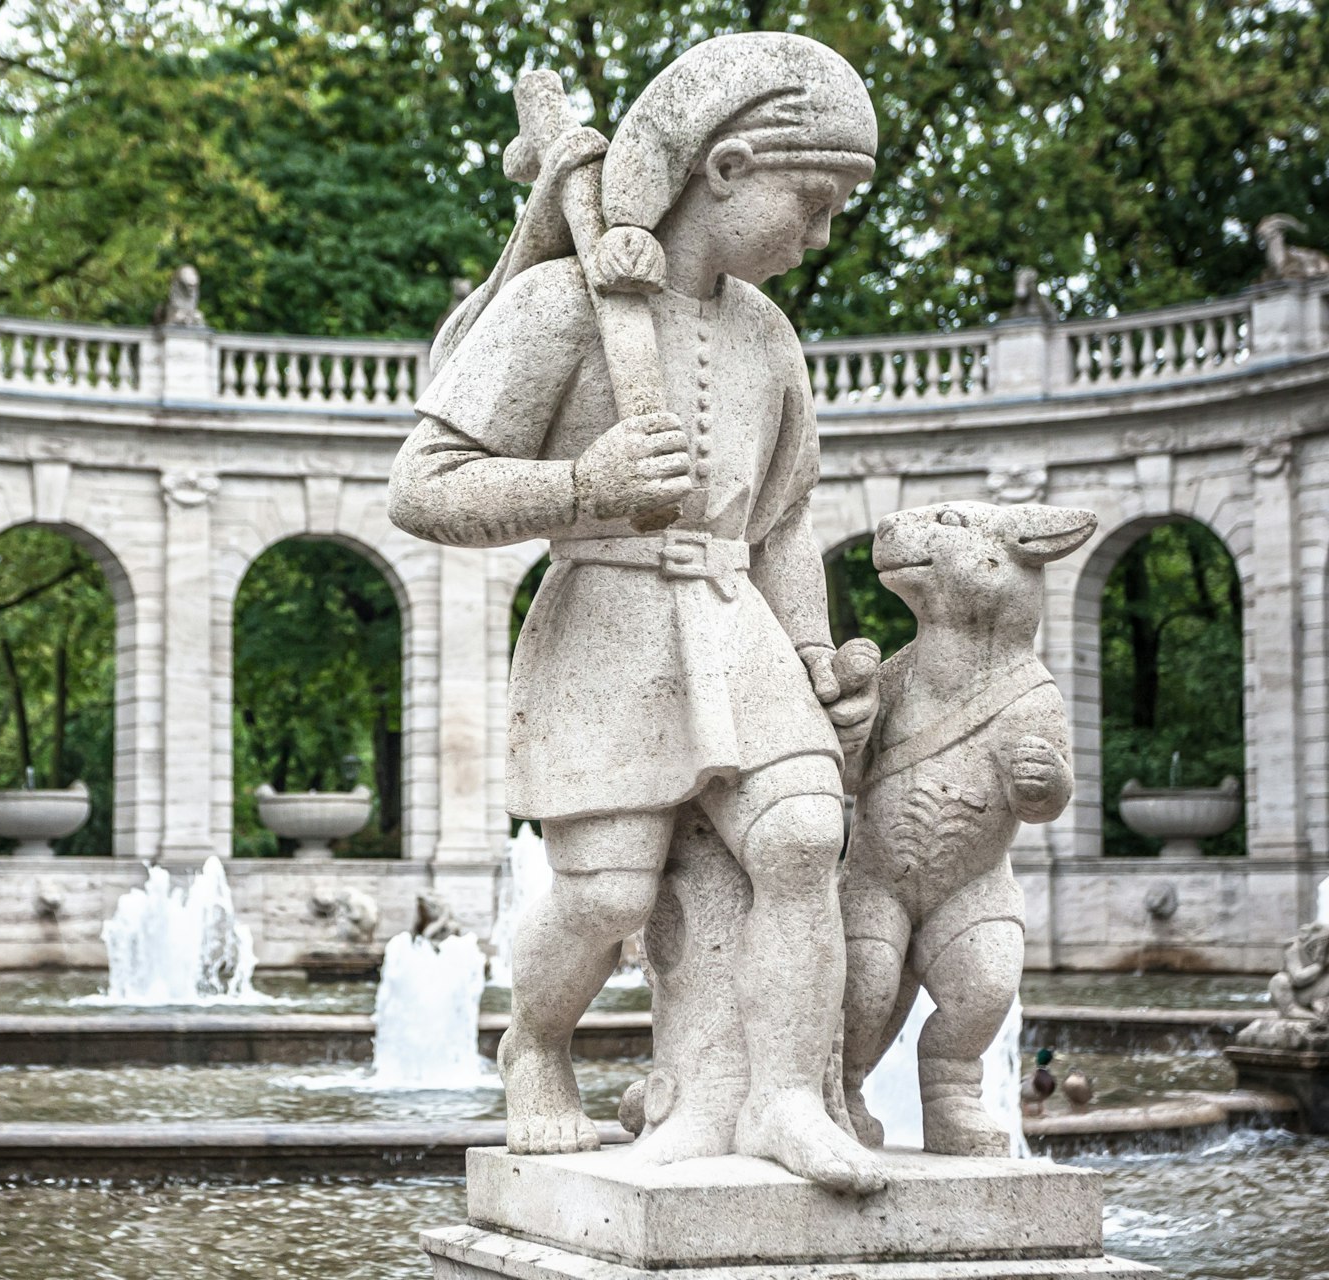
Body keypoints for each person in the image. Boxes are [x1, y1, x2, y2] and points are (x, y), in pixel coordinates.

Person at [388, 32, 884, 1193]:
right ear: (725, 167)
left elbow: (785, 521)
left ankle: (786, 1099)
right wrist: (582, 487)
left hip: (736, 619)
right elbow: (424, 483)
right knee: (608, 894)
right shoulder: (565, 305)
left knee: (807, 836)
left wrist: (812, 649)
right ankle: (536, 1041)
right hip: (606, 617)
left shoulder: (769, 334)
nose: (819, 235)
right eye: (810, 201)